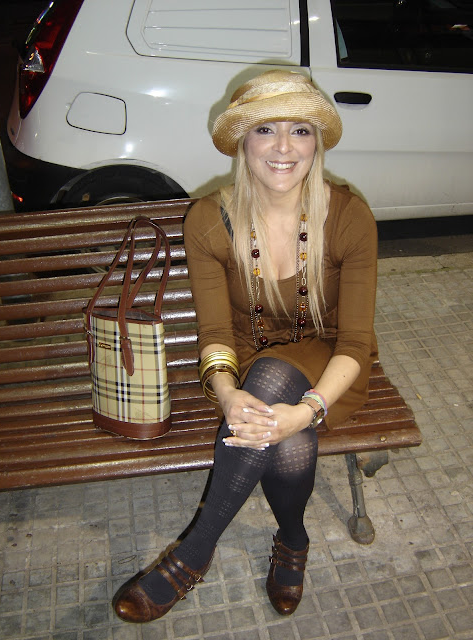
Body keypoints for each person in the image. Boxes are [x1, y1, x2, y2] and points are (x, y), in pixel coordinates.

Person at [113, 69, 378, 623]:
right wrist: (228, 395)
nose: (283, 148)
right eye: (265, 130)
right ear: (242, 143)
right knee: (279, 422)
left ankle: (194, 552)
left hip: (330, 364)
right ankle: (293, 539)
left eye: (300, 130)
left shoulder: (348, 216)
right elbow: (215, 335)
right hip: (247, 363)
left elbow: (355, 341)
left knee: (282, 398)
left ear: (316, 144)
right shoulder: (209, 221)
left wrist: (308, 410)